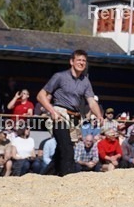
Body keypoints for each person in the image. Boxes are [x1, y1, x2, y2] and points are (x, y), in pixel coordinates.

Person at [36, 49, 104, 177]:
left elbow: (92, 101)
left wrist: (99, 115)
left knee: (61, 152)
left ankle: (44, 177)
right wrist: (52, 111)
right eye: (79, 60)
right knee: (67, 149)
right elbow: (41, 96)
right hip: (59, 114)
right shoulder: (60, 77)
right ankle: (69, 179)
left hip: (74, 118)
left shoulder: (85, 81)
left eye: (84, 60)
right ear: (72, 61)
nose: (81, 63)